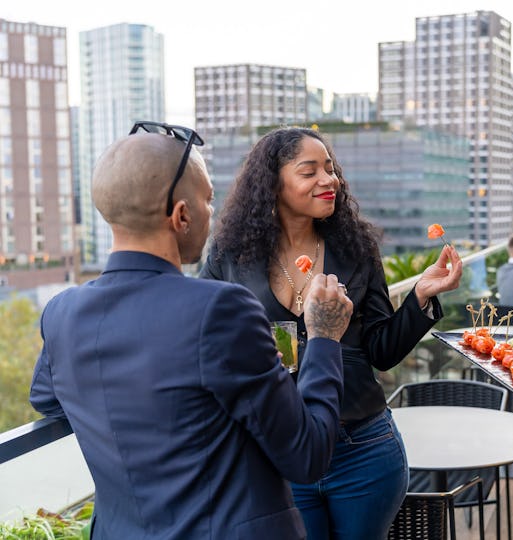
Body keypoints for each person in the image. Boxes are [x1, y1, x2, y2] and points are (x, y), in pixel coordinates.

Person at [29, 123, 354, 539]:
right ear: (181, 215)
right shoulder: (221, 308)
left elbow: (50, 402)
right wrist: (325, 334)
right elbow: (307, 456)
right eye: (207, 201)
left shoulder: (61, 312)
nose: (211, 213)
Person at [199, 126, 463, 540]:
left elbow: (381, 350)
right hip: (279, 453)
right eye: (310, 172)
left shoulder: (357, 248)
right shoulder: (229, 255)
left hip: (363, 450)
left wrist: (420, 297)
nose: (330, 180)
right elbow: (206, 343)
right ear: (274, 183)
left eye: (330, 169)